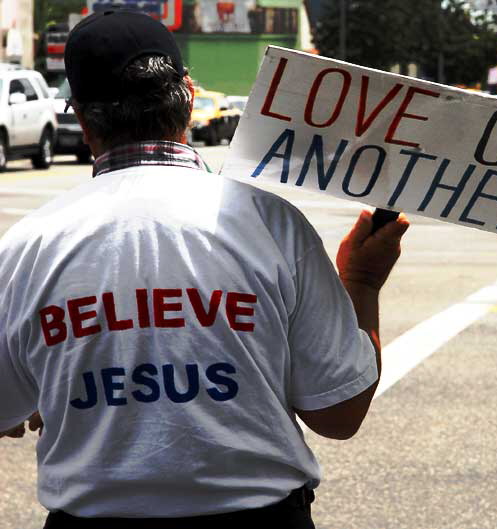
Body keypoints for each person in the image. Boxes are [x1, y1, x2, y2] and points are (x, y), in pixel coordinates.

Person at [0, 10, 409, 529]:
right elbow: (340, 413)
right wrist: (363, 282)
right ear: (188, 99)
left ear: (81, 120)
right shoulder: (271, 223)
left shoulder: (29, 245)